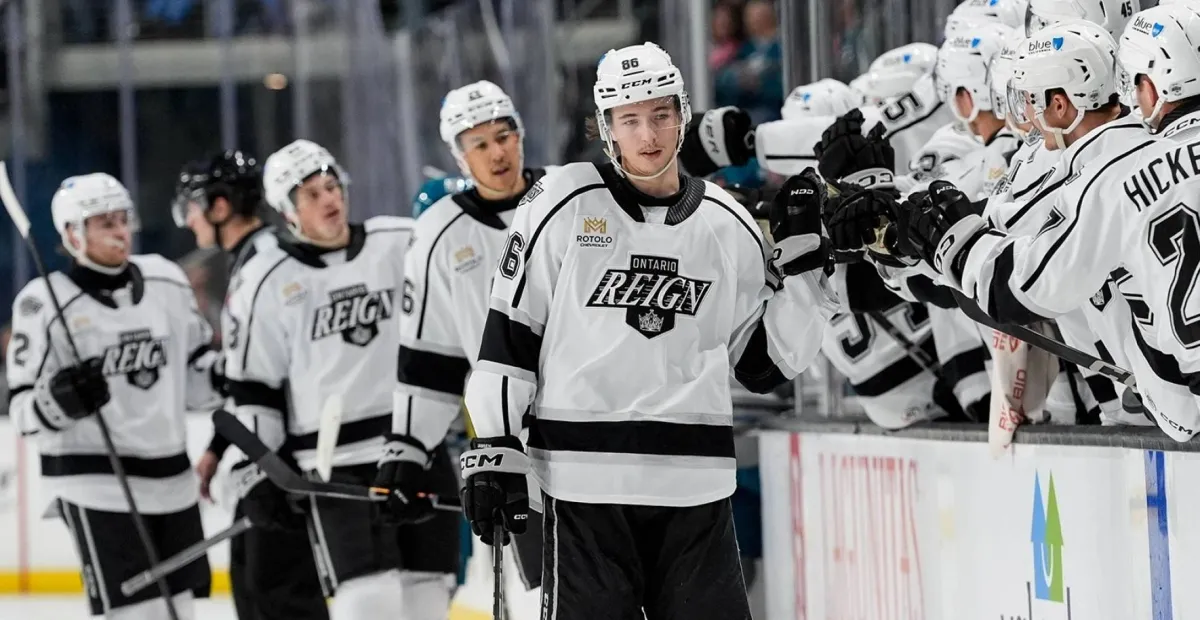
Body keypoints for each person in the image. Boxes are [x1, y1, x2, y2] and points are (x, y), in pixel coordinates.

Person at [457, 42, 837, 619]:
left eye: (661, 114)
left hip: (696, 489)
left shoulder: (727, 223)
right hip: (583, 489)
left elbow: (762, 366)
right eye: (629, 119)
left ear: (682, 115)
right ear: (606, 127)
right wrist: (494, 442)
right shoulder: (560, 202)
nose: (648, 135)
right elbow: (510, 336)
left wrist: (807, 273)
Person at [222, 139, 447, 620]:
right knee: (369, 600)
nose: (329, 199)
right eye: (311, 194)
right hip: (334, 466)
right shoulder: (264, 279)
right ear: (288, 210)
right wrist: (261, 470)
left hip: (415, 446)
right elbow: (253, 387)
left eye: (332, 186)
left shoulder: (399, 240)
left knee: (428, 595)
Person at [6, 173, 223, 619]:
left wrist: (229, 375)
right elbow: (23, 411)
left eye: (123, 219)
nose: (121, 231)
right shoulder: (43, 303)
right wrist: (59, 401)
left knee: (182, 610)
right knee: (134, 614)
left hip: (172, 479)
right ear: (73, 234)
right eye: (105, 223)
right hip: (96, 485)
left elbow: (196, 384)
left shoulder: (166, 281)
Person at [378, 79, 552, 617]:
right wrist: (408, 448)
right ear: (459, 156)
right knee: (545, 596)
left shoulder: (571, 196)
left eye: (504, 136)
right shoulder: (439, 233)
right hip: (514, 442)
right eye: (479, 144)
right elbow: (428, 360)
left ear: (520, 136)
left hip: (601, 424)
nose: (497, 153)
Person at [171, 151, 329, 620]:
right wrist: (218, 447)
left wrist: (269, 466)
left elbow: (278, 378)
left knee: (278, 591)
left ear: (220, 207)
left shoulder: (269, 266)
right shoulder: (254, 261)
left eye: (193, 207)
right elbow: (251, 376)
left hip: (284, 461)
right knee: (255, 584)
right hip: (268, 456)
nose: (189, 220)